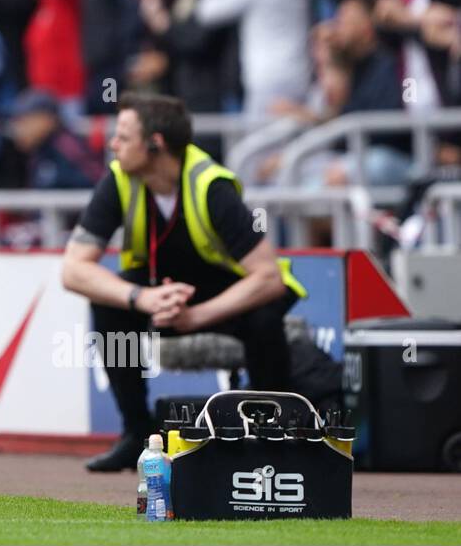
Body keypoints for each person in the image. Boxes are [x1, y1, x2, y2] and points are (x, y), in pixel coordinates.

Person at [60, 93, 306, 472]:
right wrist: (143, 298)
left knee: (263, 319)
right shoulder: (120, 179)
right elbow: (73, 270)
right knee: (108, 305)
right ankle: (137, 434)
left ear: (155, 144)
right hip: (161, 290)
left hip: (225, 292)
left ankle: (274, 437)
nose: (113, 146)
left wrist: (197, 316)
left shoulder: (211, 186)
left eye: (123, 137)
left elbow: (268, 277)